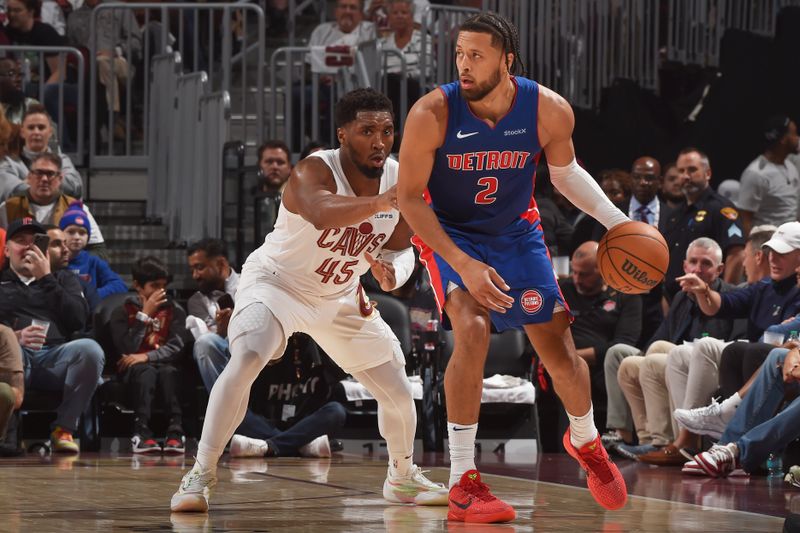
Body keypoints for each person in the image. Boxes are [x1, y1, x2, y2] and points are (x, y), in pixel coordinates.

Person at [397, 12, 629, 522]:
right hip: (450, 233)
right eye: (459, 53)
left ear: (507, 60)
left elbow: (565, 176)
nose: (464, 64)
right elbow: (410, 199)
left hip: (516, 231)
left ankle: (586, 440)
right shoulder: (431, 112)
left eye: (476, 55)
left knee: (558, 345)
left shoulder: (548, 109)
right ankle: (462, 480)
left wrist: (616, 222)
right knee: (474, 330)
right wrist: (461, 262)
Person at [170, 88, 448, 512]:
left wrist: (394, 271)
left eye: (388, 131)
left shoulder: (398, 178)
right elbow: (321, 212)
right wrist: (381, 202)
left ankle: (402, 475)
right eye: (367, 130)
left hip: (338, 295)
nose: (379, 141)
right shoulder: (312, 170)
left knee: (396, 384)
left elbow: (401, 244)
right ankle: (200, 474)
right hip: (277, 284)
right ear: (342, 134)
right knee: (247, 357)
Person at [185, 238, 345, 459]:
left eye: (199, 267)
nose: (195, 275)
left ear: (221, 264)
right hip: (232, 353)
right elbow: (206, 343)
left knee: (336, 411)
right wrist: (226, 332)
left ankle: (266, 444)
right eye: (192, 269)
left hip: (265, 350)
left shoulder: (253, 282)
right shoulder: (196, 300)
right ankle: (295, 442)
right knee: (205, 344)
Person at [0, 217, 104, 452]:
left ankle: (63, 429)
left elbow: (78, 319)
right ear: (7, 250)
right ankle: (7, 432)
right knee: (10, 350)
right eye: (20, 241)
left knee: (90, 350)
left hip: (55, 358)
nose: (28, 246)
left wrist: (46, 278)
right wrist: (14, 338)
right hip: (14, 360)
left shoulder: (63, 278)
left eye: (35, 241)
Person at [109, 256, 187, 454]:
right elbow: (127, 348)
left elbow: (176, 347)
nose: (160, 291)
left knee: (169, 372)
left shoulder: (174, 310)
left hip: (161, 363)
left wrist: (147, 356)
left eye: (163, 285)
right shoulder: (122, 311)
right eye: (154, 285)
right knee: (146, 373)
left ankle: (175, 432)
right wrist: (144, 316)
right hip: (134, 370)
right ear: (138, 285)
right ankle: (141, 431)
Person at [661, 148, 745, 299]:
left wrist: (723, 299)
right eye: (681, 171)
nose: (686, 176)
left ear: (708, 173)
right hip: (676, 301)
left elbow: (737, 254)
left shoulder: (721, 209)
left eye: (692, 170)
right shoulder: (674, 215)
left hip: (707, 300)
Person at [0, 153, 106, 256]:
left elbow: (98, 250)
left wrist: (72, 263)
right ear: (29, 177)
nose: (44, 179)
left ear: (60, 179)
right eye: (39, 173)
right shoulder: (7, 208)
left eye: (50, 174)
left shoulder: (76, 207)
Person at [0, 104, 83, 198]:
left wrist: (30, 182)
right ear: (22, 132)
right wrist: (53, 179)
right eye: (31, 128)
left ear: (50, 132)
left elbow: (75, 188)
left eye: (41, 127)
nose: (36, 132)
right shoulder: (8, 163)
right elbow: (9, 191)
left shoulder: (62, 160)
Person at [736, 115, 800, 235]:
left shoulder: (791, 166)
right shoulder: (755, 174)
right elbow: (745, 219)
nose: (798, 139)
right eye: (794, 134)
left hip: (792, 242)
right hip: (768, 245)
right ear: (783, 139)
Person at [59, 201, 126, 299]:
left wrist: (91, 295)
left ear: (88, 237)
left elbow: (120, 285)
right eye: (71, 232)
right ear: (61, 234)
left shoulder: (93, 262)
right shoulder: (53, 260)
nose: (77, 237)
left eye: (82, 233)